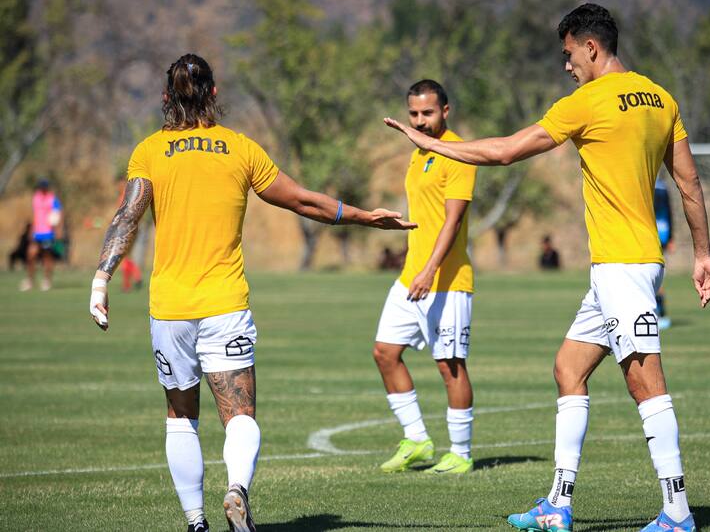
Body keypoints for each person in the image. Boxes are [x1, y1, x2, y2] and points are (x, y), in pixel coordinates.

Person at [384, 4, 710, 531]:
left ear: (590, 46)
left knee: (646, 384)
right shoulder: (661, 97)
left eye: (568, 54)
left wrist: (432, 144)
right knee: (568, 370)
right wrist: (702, 252)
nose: (566, 65)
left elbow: (506, 152)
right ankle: (558, 506)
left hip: (622, 269)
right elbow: (690, 183)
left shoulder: (585, 101)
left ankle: (677, 513)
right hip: (627, 267)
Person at [88, 54, 415, 532]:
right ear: (215, 95)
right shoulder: (240, 149)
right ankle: (237, 488)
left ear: (165, 98)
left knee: (181, 417)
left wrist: (101, 279)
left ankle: (196, 522)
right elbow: (303, 200)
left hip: (170, 308)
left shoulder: (149, 152)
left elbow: (126, 216)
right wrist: (366, 216)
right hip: (225, 304)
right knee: (239, 413)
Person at [373, 80, 477, 475]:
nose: (420, 120)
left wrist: (430, 269)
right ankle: (417, 440)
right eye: (414, 114)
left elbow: (452, 221)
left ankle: (461, 453)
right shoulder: (419, 155)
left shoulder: (459, 153)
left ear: (445, 111)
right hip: (410, 277)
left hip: (447, 282)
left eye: (427, 113)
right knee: (385, 352)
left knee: (450, 365)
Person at [21, 179, 63, 291]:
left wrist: (58, 231)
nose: (42, 189)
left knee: (46, 257)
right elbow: (34, 215)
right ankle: (30, 280)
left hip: (48, 233)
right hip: (36, 232)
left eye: (44, 187)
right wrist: (31, 230)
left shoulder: (53, 199)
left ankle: (46, 280)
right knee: (31, 255)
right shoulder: (36, 198)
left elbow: (57, 216)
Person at [654, 175, 673, 329]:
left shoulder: (647, 185)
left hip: (651, 231)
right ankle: (660, 313)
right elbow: (669, 213)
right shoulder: (663, 187)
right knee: (658, 272)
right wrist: (671, 236)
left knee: (654, 273)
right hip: (664, 231)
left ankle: (659, 314)